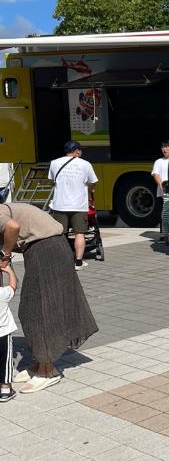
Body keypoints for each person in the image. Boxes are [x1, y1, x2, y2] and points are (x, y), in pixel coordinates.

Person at [0, 202, 98, 393]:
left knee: (41, 309)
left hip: (47, 250)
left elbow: (13, 227)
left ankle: (48, 371)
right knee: (30, 309)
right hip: (43, 248)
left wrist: (5, 255)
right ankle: (39, 363)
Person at [48, 140, 98, 269]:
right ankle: (78, 262)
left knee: (60, 234)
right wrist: (87, 189)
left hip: (59, 205)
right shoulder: (85, 164)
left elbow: (52, 180)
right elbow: (93, 182)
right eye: (80, 150)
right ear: (77, 151)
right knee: (79, 233)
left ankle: (62, 261)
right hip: (78, 205)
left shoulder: (54, 163)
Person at [0, 258, 17, 403]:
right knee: (5, 360)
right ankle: (5, 388)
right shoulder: (3, 293)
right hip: (4, 334)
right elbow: (13, 285)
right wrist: (9, 270)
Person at [151, 140, 169, 243]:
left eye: (167, 147)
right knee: (164, 215)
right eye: (163, 147)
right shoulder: (159, 161)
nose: (164, 149)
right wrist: (163, 187)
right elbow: (156, 174)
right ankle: (164, 236)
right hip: (163, 192)